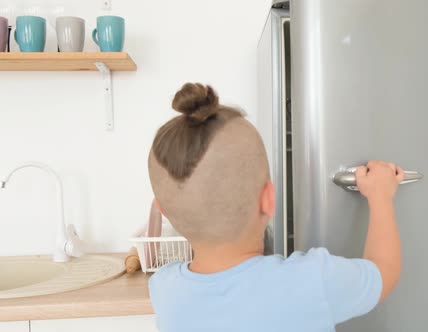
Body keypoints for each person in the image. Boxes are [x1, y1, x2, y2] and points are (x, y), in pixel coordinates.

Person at [148, 82, 404, 332]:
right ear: (269, 199)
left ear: (164, 212)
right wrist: (380, 195)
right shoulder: (312, 281)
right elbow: (383, 271)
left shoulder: (163, 288)